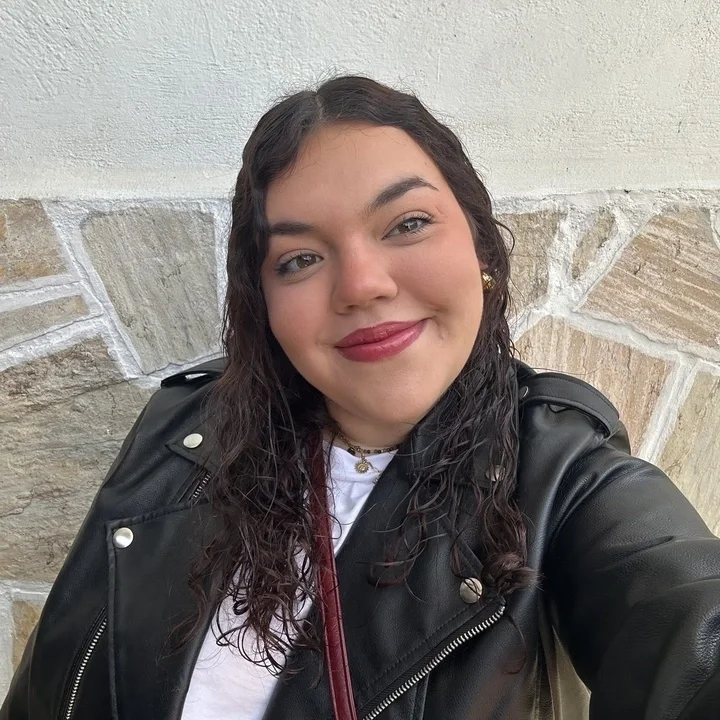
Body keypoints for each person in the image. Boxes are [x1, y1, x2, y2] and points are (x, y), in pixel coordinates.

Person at [3, 75, 720, 720]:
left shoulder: (562, 475)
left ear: (481, 249)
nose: (361, 285)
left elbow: (688, 624)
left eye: (407, 224)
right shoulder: (187, 430)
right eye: (300, 259)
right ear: (264, 305)